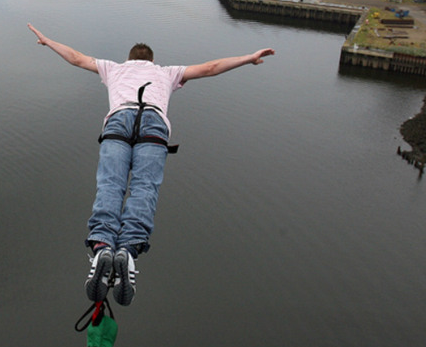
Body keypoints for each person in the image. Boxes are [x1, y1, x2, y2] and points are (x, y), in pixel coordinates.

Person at [28, 23, 274, 306]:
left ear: (130, 59)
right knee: (144, 188)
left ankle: (102, 246)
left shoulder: (115, 68)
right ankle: (128, 252)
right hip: (154, 125)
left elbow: (76, 57)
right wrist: (248, 57)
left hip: (119, 122)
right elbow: (211, 67)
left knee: (111, 184)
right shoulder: (166, 73)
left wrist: (48, 41)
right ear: (152, 61)